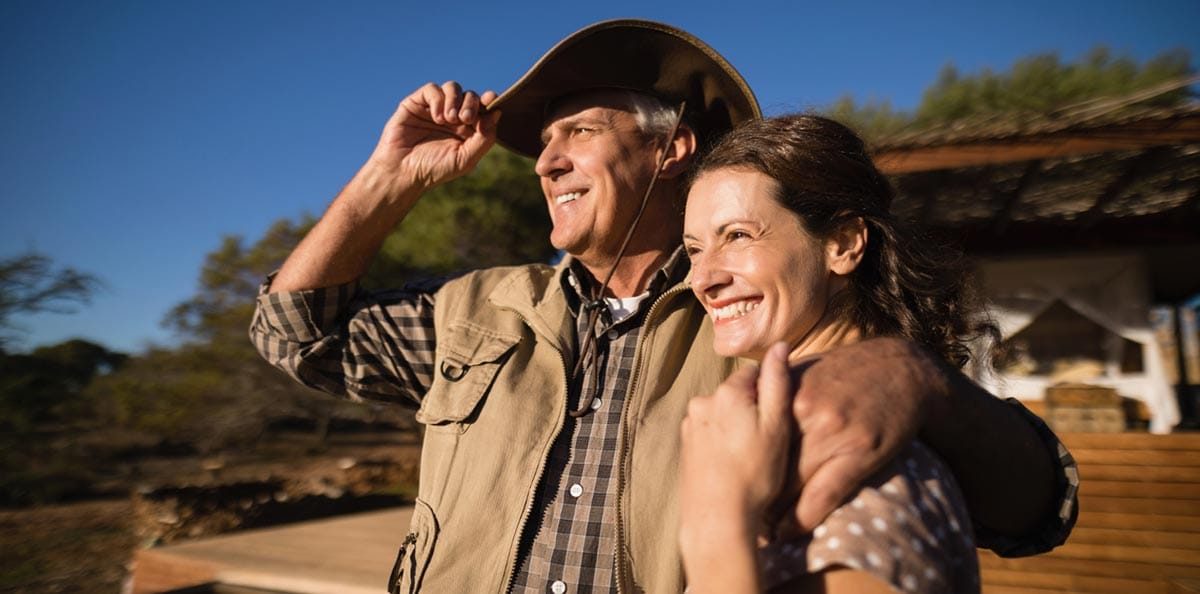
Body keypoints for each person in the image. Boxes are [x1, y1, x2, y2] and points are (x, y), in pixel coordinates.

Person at [249, 19, 1077, 594]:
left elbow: (1038, 511)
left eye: (575, 131)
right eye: (541, 146)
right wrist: (388, 180)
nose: (546, 162)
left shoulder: (762, 314)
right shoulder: (478, 309)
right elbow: (295, 334)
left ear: (669, 147)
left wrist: (914, 374)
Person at [678, 114, 1001, 592]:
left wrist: (715, 526)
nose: (702, 279)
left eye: (739, 236)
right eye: (694, 250)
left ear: (844, 244)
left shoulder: (859, 466)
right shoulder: (802, 433)